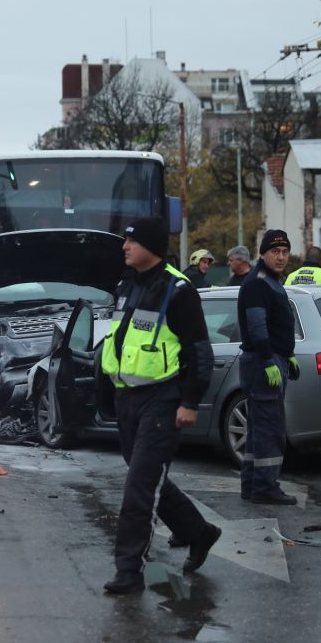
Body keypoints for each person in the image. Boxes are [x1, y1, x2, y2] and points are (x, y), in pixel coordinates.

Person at [99, 217, 220, 594]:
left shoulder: (178, 290)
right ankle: (198, 532)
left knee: (139, 486)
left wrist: (189, 402)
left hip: (163, 400)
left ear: (151, 246)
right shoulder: (127, 285)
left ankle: (129, 570)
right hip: (128, 398)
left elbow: (200, 351)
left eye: (131, 241)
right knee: (147, 478)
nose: (124, 247)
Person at [237, 229, 300, 505]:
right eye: (275, 252)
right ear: (262, 253)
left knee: (258, 428)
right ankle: (265, 487)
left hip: (274, 358)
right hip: (264, 362)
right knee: (269, 428)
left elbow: (274, 324)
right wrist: (268, 360)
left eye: (285, 252)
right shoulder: (258, 283)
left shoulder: (271, 281)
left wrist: (288, 354)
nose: (281, 257)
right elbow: (257, 326)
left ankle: (253, 485)